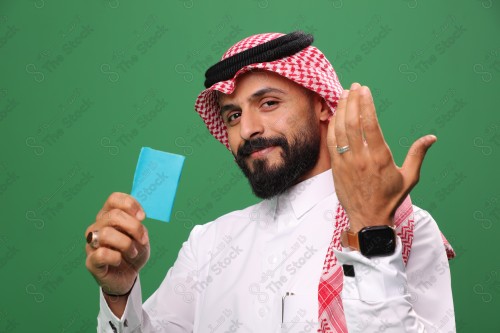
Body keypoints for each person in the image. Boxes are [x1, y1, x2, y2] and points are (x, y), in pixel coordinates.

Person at [85, 31, 456, 332]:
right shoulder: (210, 244)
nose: (247, 130)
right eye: (232, 116)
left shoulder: (403, 226)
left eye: (268, 103)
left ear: (323, 105)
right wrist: (120, 296)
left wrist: (372, 231)